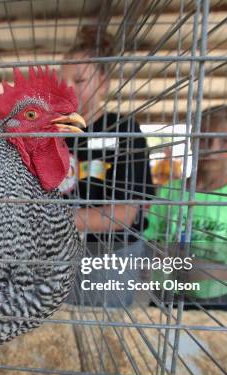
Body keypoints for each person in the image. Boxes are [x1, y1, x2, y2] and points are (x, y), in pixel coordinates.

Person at [144, 107, 227, 311]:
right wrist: (164, 253)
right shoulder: (168, 192)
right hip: (164, 293)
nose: (212, 148)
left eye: (226, 141)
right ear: (192, 142)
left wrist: (216, 272)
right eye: (204, 139)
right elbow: (148, 239)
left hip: (217, 298)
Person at [60, 30, 155, 308]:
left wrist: (54, 221)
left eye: (79, 81)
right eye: (63, 83)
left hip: (112, 252)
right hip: (61, 251)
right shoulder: (55, 134)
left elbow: (125, 213)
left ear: (103, 83)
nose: (69, 90)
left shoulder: (124, 129)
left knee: (104, 327)